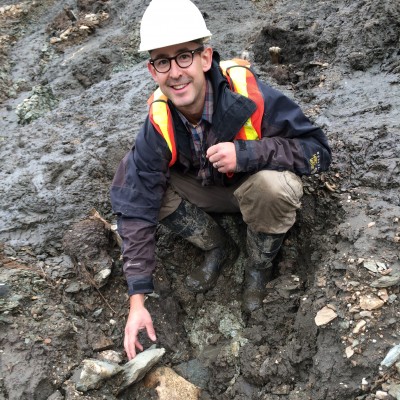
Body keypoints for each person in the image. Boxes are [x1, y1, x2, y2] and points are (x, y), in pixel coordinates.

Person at [110, 0, 331, 360]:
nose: (176, 72)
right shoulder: (158, 121)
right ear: (153, 71)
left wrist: (246, 154)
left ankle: (259, 266)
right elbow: (134, 209)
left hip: (253, 187)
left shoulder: (250, 95)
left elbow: (317, 151)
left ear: (205, 57)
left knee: (273, 187)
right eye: (163, 61)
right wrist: (137, 300)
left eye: (184, 56)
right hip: (206, 191)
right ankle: (217, 246)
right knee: (135, 181)